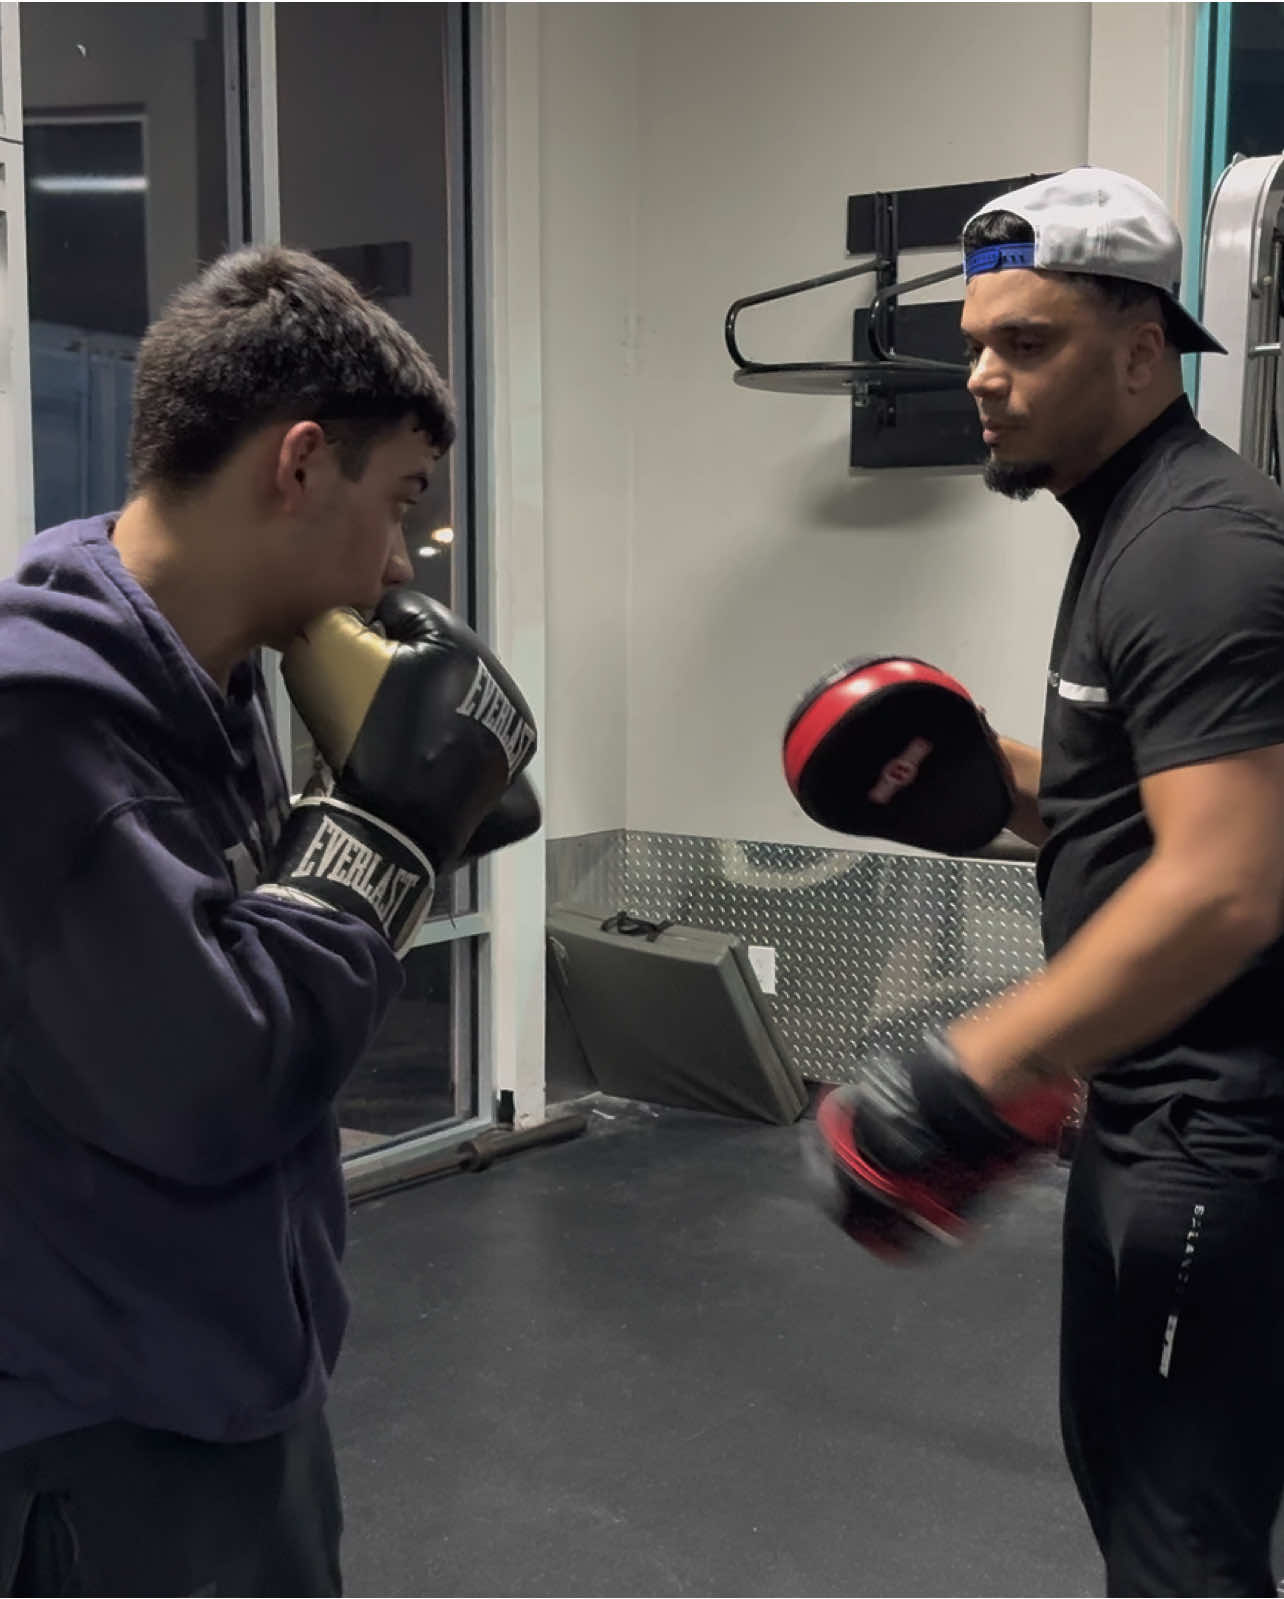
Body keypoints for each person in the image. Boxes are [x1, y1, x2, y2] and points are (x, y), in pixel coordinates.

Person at [0, 245, 537, 1595]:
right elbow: (213, 1078)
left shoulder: (222, 679)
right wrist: (389, 830)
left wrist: (397, 807)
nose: (405, 554)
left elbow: (269, 971)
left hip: (231, 1369)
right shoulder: (42, 728)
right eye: (401, 501)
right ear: (299, 463)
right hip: (102, 1425)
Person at [811, 168, 1284, 1595]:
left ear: (1144, 349)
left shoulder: (1195, 550)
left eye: (1030, 345)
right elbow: (1147, 809)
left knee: (1175, 1541)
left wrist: (973, 1064)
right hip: (1149, 1122)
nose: (986, 381)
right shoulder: (1129, 527)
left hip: (1218, 1142)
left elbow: (1225, 886)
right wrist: (984, 782)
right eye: (976, 346)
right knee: (1132, 1486)